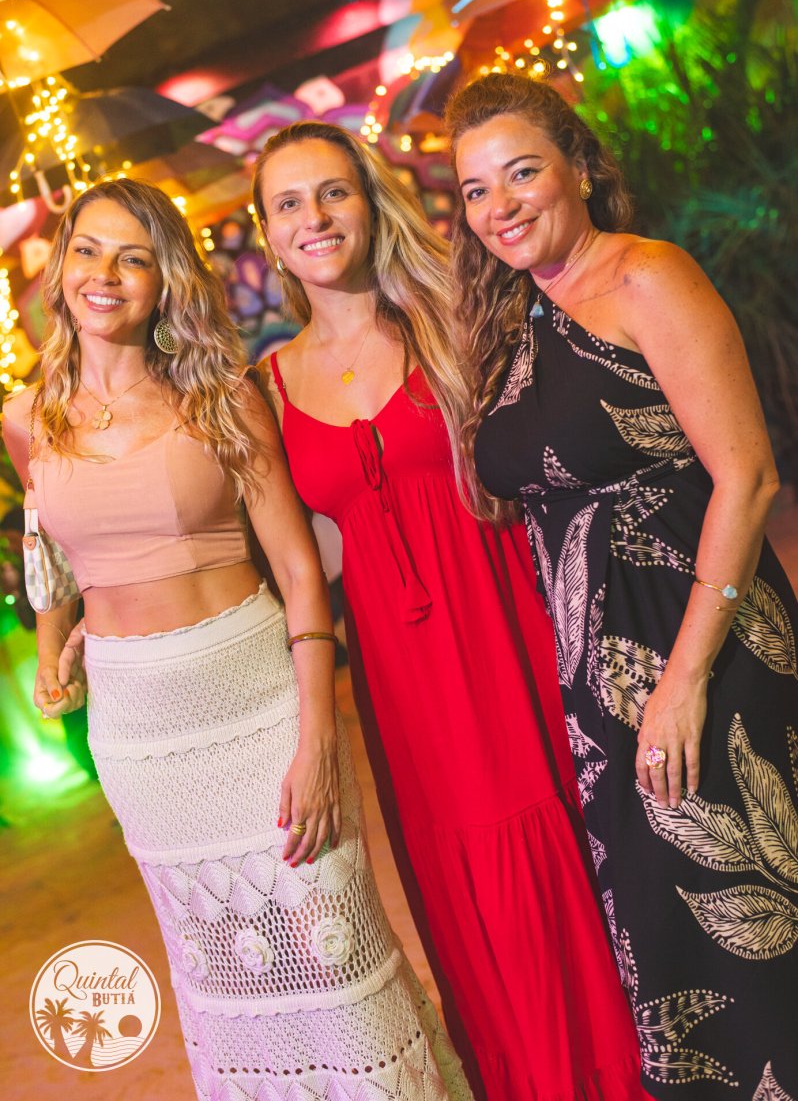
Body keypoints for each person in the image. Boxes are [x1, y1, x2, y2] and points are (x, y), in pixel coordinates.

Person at [2, 178, 473, 1101]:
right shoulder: (26, 420)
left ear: (165, 282)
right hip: (141, 737)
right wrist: (61, 641)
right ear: (60, 270)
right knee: (222, 978)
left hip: (255, 707)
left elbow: (300, 573)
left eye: (133, 258)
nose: (105, 274)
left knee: (336, 956)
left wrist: (319, 737)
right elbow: (51, 550)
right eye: (88, 251)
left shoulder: (220, 396)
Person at [251, 120, 645, 1101]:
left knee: (574, 852)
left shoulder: (453, 317)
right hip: (402, 682)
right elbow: (286, 558)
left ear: (368, 200)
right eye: (289, 203)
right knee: (467, 895)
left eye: (333, 192)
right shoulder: (268, 387)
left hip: (513, 630)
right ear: (266, 234)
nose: (314, 218)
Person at [446, 71, 798, 1099]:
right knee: (670, 934)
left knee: (752, 919)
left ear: (581, 167)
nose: (500, 206)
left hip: (705, 653)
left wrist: (684, 680)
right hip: (602, 687)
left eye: (521, 173)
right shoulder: (513, 317)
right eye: (475, 190)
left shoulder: (647, 277)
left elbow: (748, 477)